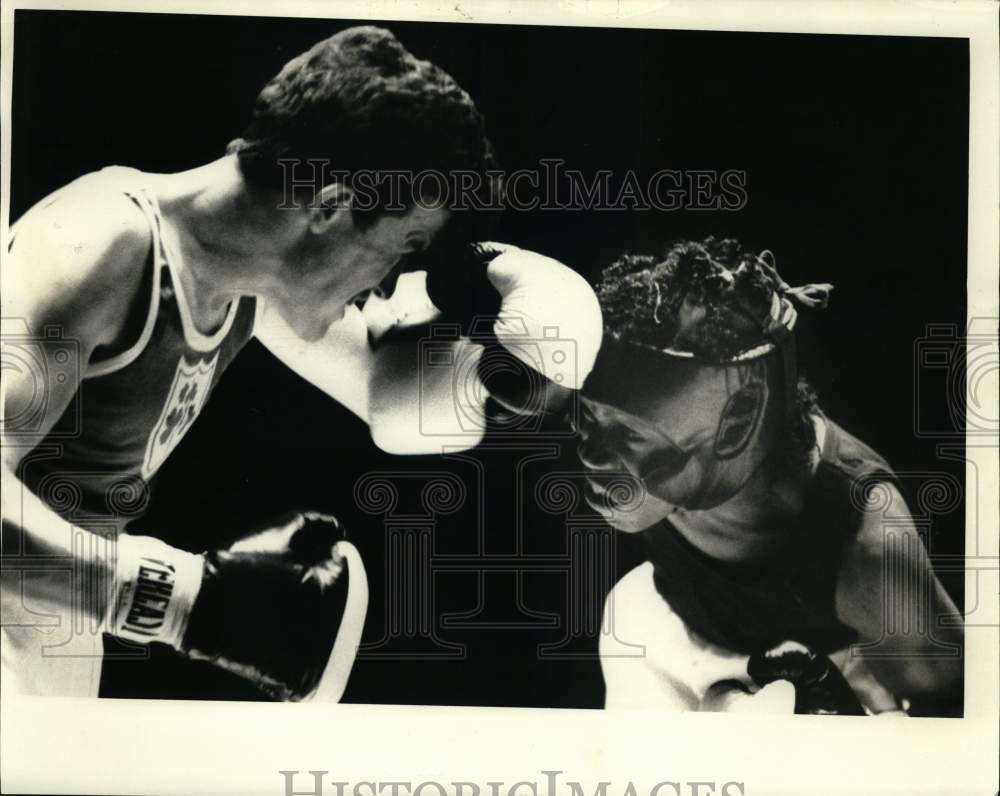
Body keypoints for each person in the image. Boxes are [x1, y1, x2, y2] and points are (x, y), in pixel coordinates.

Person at [1, 26, 603, 700]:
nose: (386, 285)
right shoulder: (98, 243)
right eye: (401, 248)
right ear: (332, 206)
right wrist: (182, 600)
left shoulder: (243, 284)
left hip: (57, 625)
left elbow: (390, 396)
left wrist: (505, 369)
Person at [580, 237, 963, 715]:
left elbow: (955, 730)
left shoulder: (870, 550)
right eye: (590, 418)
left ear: (736, 426)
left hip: (837, 674)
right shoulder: (673, 457)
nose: (592, 454)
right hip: (668, 630)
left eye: (628, 432)